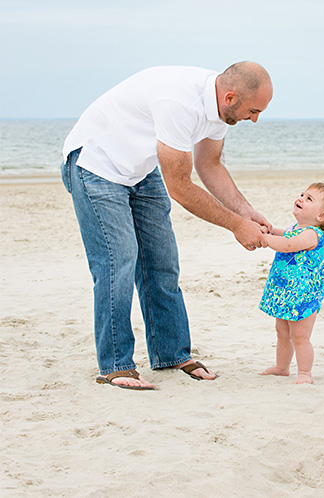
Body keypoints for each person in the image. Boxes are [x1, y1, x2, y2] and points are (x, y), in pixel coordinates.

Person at [61, 61, 274, 390]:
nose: (255, 119)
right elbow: (180, 188)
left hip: (140, 170)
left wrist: (245, 213)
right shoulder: (180, 102)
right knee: (118, 262)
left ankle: (171, 355)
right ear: (230, 97)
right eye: (254, 110)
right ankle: (116, 365)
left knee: (162, 262)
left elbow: (209, 165)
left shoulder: (221, 109)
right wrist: (235, 226)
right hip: (96, 165)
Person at [258, 183, 324, 385]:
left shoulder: (312, 234)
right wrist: (270, 230)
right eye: (302, 195)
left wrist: (264, 239)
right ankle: (282, 367)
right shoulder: (296, 228)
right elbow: (285, 235)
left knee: (300, 336)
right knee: (282, 332)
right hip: (285, 291)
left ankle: (305, 372)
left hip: (302, 294)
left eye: (309, 199)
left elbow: (288, 245)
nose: (301, 199)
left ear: (322, 216)